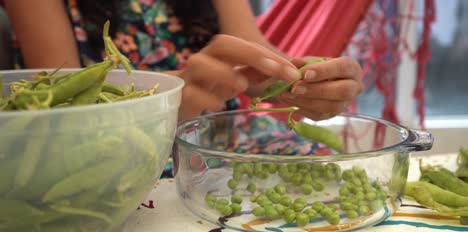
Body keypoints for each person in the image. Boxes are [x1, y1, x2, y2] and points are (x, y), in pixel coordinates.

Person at [3, 0, 363, 122]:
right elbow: (57, 103)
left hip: (222, 141)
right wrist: (169, 96)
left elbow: (260, 65)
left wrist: (306, 81)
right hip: (120, 158)